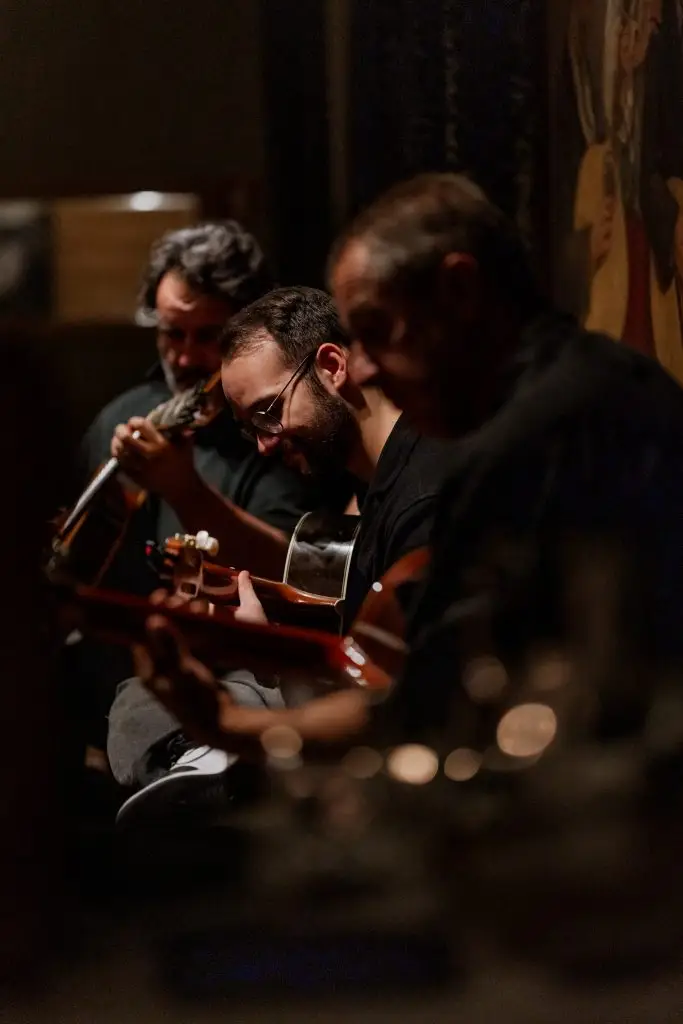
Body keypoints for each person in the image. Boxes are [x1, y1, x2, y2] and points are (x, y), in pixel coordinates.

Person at [129, 172, 683, 766]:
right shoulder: (594, 379)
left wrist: (230, 723)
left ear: (461, 289)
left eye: (377, 331)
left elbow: (431, 706)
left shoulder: (521, 445)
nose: (362, 370)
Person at [107, 285, 458, 820]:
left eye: (269, 412)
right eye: (250, 429)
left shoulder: (423, 501)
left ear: (333, 365)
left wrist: (266, 653)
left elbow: (405, 707)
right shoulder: (377, 481)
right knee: (137, 699)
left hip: (397, 761)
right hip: (357, 713)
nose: (266, 443)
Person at [67, 223, 331, 763]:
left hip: (245, 683)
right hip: (114, 680)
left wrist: (183, 490)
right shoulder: (120, 417)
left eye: (206, 336)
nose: (185, 358)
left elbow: (301, 572)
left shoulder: (281, 425)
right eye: (171, 333)